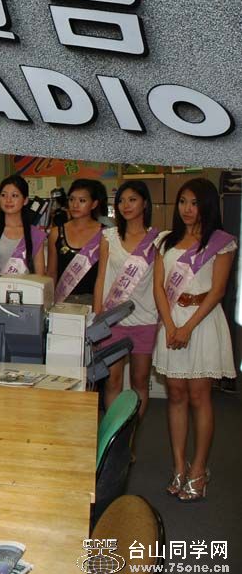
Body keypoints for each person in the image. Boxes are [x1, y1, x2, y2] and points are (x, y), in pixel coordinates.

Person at [153, 178, 236, 502]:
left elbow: (218, 291)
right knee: (175, 394)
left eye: (195, 202)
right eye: (183, 202)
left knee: (200, 396)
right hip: (172, 320)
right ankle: (179, 465)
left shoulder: (221, 242)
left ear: (207, 205)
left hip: (202, 322)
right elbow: (159, 287)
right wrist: (171, 325)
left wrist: (187, 328)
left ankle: (199, 469)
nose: (187, 209)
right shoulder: (165, 241)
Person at [92, 180, 160, 415]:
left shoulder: (157, 239)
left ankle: (131, 433)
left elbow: (159, 283)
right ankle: (116, 433)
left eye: (132, 200)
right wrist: (98, 315)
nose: (125, 205)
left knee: (140, 382)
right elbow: (101, 278)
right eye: (121, 200)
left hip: (145, 320)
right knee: (112, 381)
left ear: (145, 203)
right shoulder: (108, 236)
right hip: (113, 321)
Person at [48, 178, 105, 304]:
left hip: (93, 302)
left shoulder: (105, 234)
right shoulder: (56, 233)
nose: (75, 205)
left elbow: (105, 276)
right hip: (62, 303)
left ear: (94, 204)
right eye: (71, 199)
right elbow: (52, 273)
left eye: (82, 200)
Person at [0, 175, 46, 276]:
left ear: (25, 200)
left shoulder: (35, 235)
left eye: (14, 195)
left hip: (27, 286)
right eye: (3, 195)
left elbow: (40, 277)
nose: (8, 200)